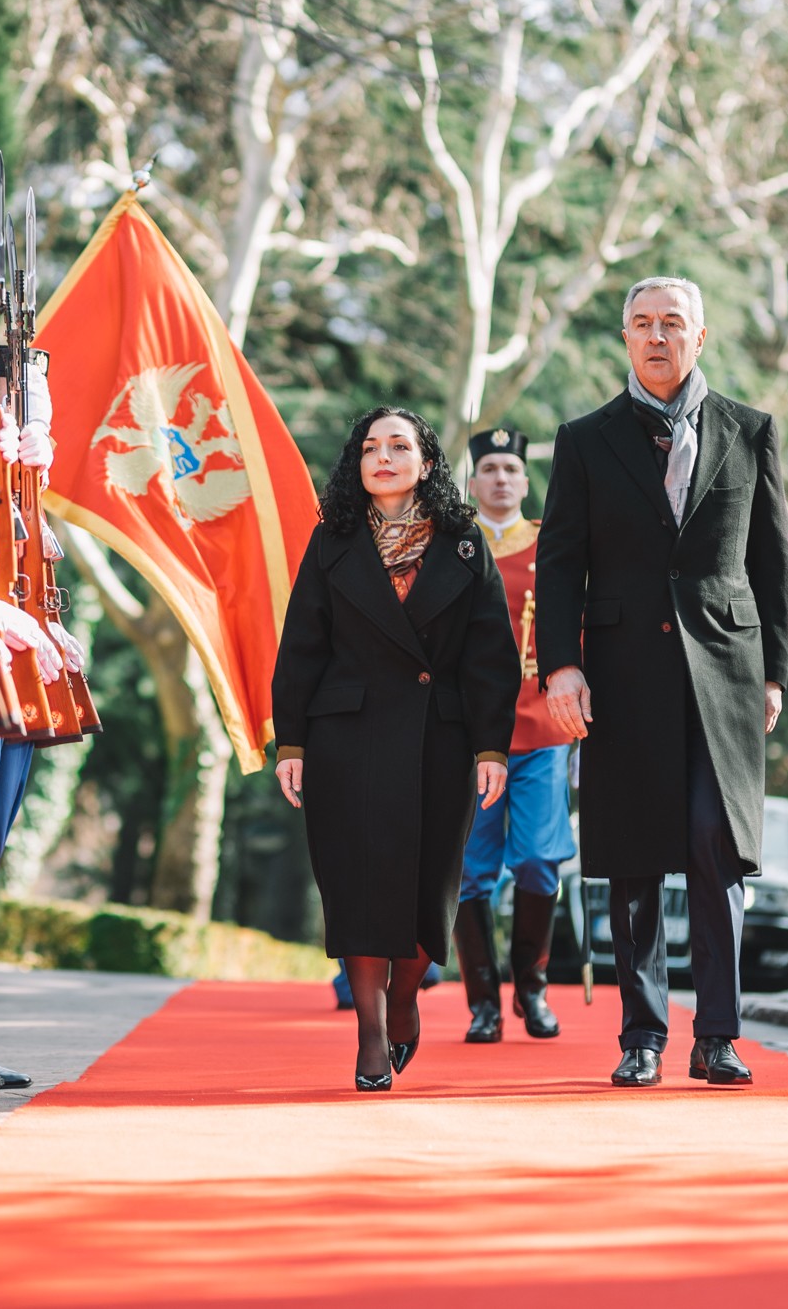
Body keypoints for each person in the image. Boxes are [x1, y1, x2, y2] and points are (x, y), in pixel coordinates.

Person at [534, 275, 788, 1090]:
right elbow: (560, 561)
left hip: (725, 671)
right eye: (642, 323)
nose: (656, 336)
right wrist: (561, 666)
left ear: (700, 337)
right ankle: (642, 1034)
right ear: (625, 338)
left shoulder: (750, 432)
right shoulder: (585, 439)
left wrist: (774, 673)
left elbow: (773, 564)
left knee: (716, 848)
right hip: (620, 674)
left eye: (672, 323)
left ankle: (717, 1033)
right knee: (637, 857)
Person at [272, 408, 518, 1092]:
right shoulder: (333, 541)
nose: (384, 456)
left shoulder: (465, 543)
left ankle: (406, 995)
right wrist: (290, 738)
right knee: (353, 887)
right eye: (371, 447)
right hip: (344, 736)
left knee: (426, 891)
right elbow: (302, 646)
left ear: (427, 462)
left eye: (400, 445)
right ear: (357, 463)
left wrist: (491, 748)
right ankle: (371, 1033)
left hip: (438, 737)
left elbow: (491, 657)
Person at [455, 427, 582, 1044]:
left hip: (542, 727)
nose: (501, 478)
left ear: (525, 482)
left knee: (536, 858)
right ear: (473, 481)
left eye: (511, 469)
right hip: (472, 732)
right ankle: (483, 1002)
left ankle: (531, 988)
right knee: (470, 870)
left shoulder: (551, 544)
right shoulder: (453, 544)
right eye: (490, 469)